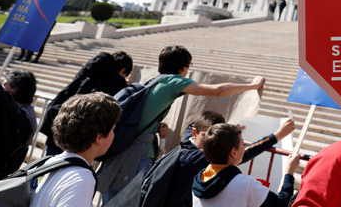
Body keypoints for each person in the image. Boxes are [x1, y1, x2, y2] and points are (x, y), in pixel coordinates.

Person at [97, 45, 266, 203]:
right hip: (136, 156)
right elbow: (218, 91)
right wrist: (253, 85)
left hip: (123, 151)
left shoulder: (155, 81)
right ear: (182, 68)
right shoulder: (173, 81)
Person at [140, 111, 295, 207]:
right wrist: (288, 173)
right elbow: (280, 204)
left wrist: (226, 134)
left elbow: (191, 128)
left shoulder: (199, 175)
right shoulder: (194, 159)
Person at [31, 92, 122, 207]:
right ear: (99, 137)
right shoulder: (81, 179)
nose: (114, 134)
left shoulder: (52, 162)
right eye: (113, 129)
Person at [41, 50, 133, 156]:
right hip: (79, 130)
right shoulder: (117, 81)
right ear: (123, 70)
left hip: (60, 115)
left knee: (49, 161)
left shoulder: (94, 65)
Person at [191, 123, 300, 207]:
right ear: (234, 153)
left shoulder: (198, 181)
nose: (245, 148)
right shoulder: (245, 184)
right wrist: (288, 174)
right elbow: (281, 204)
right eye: (242, 144)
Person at [3, 70, 38, 140]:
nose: (2, 88)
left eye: (4, 85)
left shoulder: (21, 113)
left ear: (15, 90)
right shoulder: (25, 110)